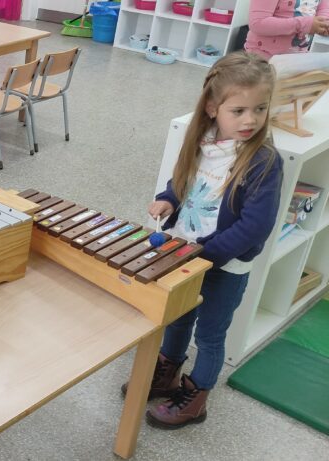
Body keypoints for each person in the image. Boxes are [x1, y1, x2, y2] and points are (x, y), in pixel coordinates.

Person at [135, 52, 283, 429]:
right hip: (185, 253)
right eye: (239, 110)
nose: (250, 120)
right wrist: (169, 199)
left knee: (210, 335)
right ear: (213, 108)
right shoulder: (203, 142)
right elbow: (182, 180)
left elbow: (255, 226)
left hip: (224, 266)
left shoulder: (264, 161)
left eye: (260, 109)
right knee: (177, 319)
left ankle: (196, 396)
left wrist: (205, 255)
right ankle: (167, 373)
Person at [245, 0, 329, 58]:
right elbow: (258, 23)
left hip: (298, 57)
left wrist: (323, 24)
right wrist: (304, 24)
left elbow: (324, 9)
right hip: (262, 59)